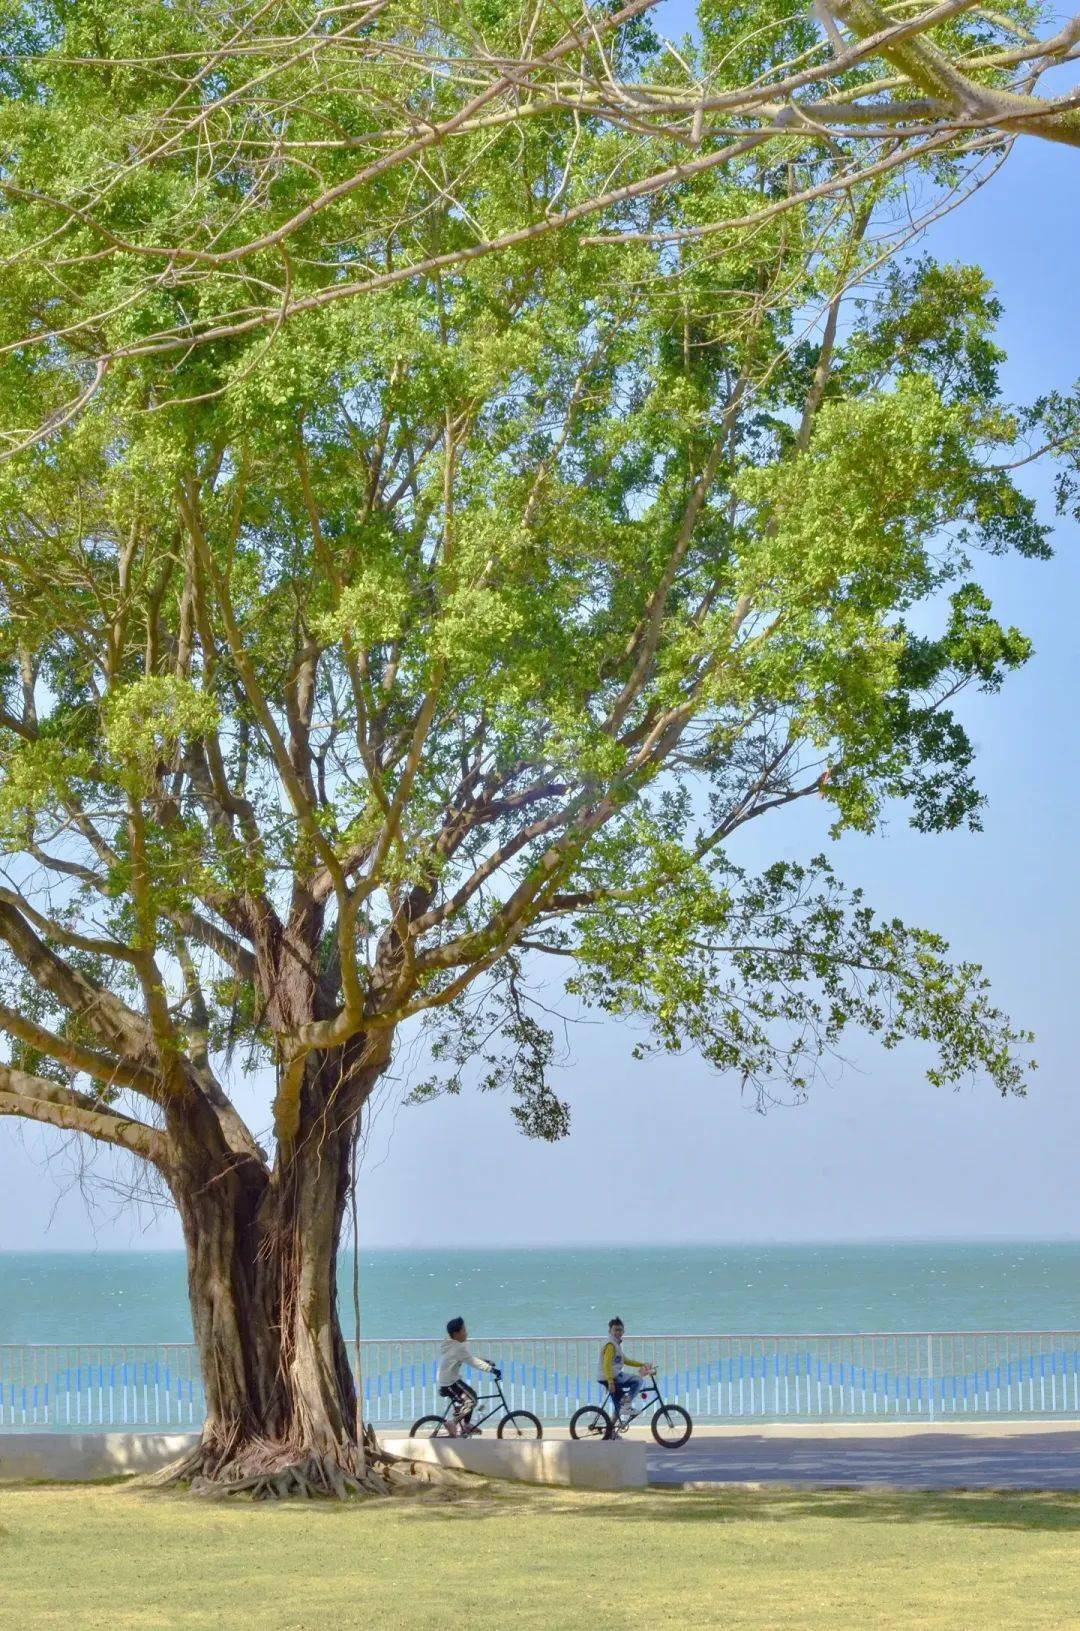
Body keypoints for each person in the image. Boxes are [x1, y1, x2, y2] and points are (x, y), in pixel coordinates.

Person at [438, 1316, 500, 1436]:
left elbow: (469, 1358)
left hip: (448, 1380)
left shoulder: (452, 1345)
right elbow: (472, 1361)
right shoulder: (457, 1347)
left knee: (472, 1396)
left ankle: (465, 1425)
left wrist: (486, 1361)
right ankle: (453, 1422)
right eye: (464, 1330)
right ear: (456, 1334)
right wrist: (491, 1369)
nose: (466, 1332)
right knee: (471, 1401)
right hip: (449, 1382)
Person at [598, 1317, 654, 1431]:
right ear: (610, 1331)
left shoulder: (615, 1344)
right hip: (611, 1376)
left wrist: (642, 1364)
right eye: (615, 1330)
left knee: (619, 1406)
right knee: (638, 1380)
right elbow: (607, 1365)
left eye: (620, 1330)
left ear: (623, 1331)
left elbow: (626, 1360)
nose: (618, 1332)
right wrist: (610, 1382)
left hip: (610, 1376)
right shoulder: (610, 1345)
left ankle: (610, 1432)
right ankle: (627, 1405)